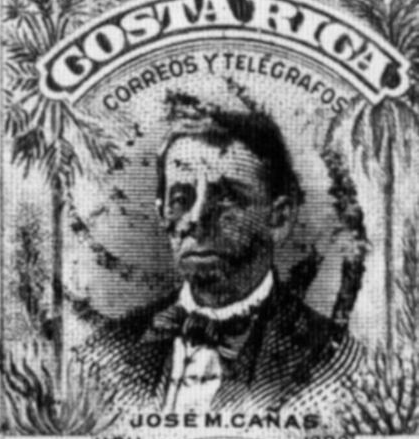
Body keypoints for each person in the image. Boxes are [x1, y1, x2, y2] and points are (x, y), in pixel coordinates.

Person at [78, 107, 355, 416]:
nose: (196, 219)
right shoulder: (105, 354)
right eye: (181, 199)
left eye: (226, 198)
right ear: (162, 213)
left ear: (279, 219)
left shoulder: (333, 360)